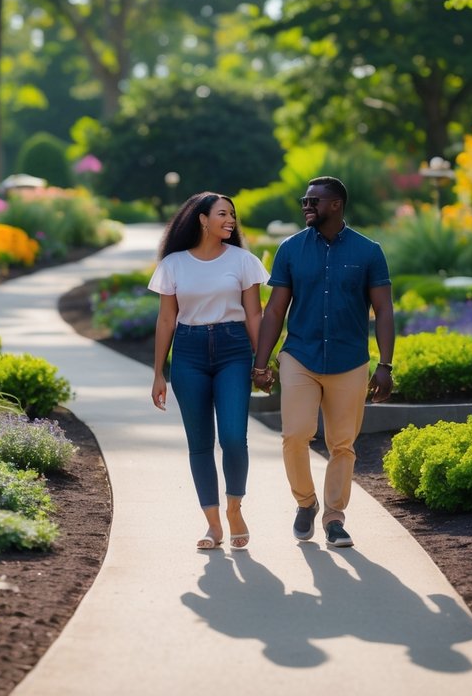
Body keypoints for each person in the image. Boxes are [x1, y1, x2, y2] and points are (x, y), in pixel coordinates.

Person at [251, 176, 394, 549]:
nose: (306, 206)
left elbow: (383, 309)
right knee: (295, 434)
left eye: (313, 201)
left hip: (350, 360)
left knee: (342, 444)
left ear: (336, 205)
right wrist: (261, 363)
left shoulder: (368, 251)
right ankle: (306, 502)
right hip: (301, 355)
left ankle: (334, 517)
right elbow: (276, 310)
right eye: (305, 200)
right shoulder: (290, 249)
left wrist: (385, 366)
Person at [150, 192, 269, 550]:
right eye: (223, 214)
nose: (231, 220)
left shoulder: (243, 261)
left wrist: (262, 361)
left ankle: (235, 508)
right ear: (202, 219)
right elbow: (167, 318)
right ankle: (213, 525)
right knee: (199, 444)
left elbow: (254, 314)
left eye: (233, 215)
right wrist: (159, 372)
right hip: (188, 354)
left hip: (233, 350)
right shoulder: (173, 264)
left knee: (233, 437)